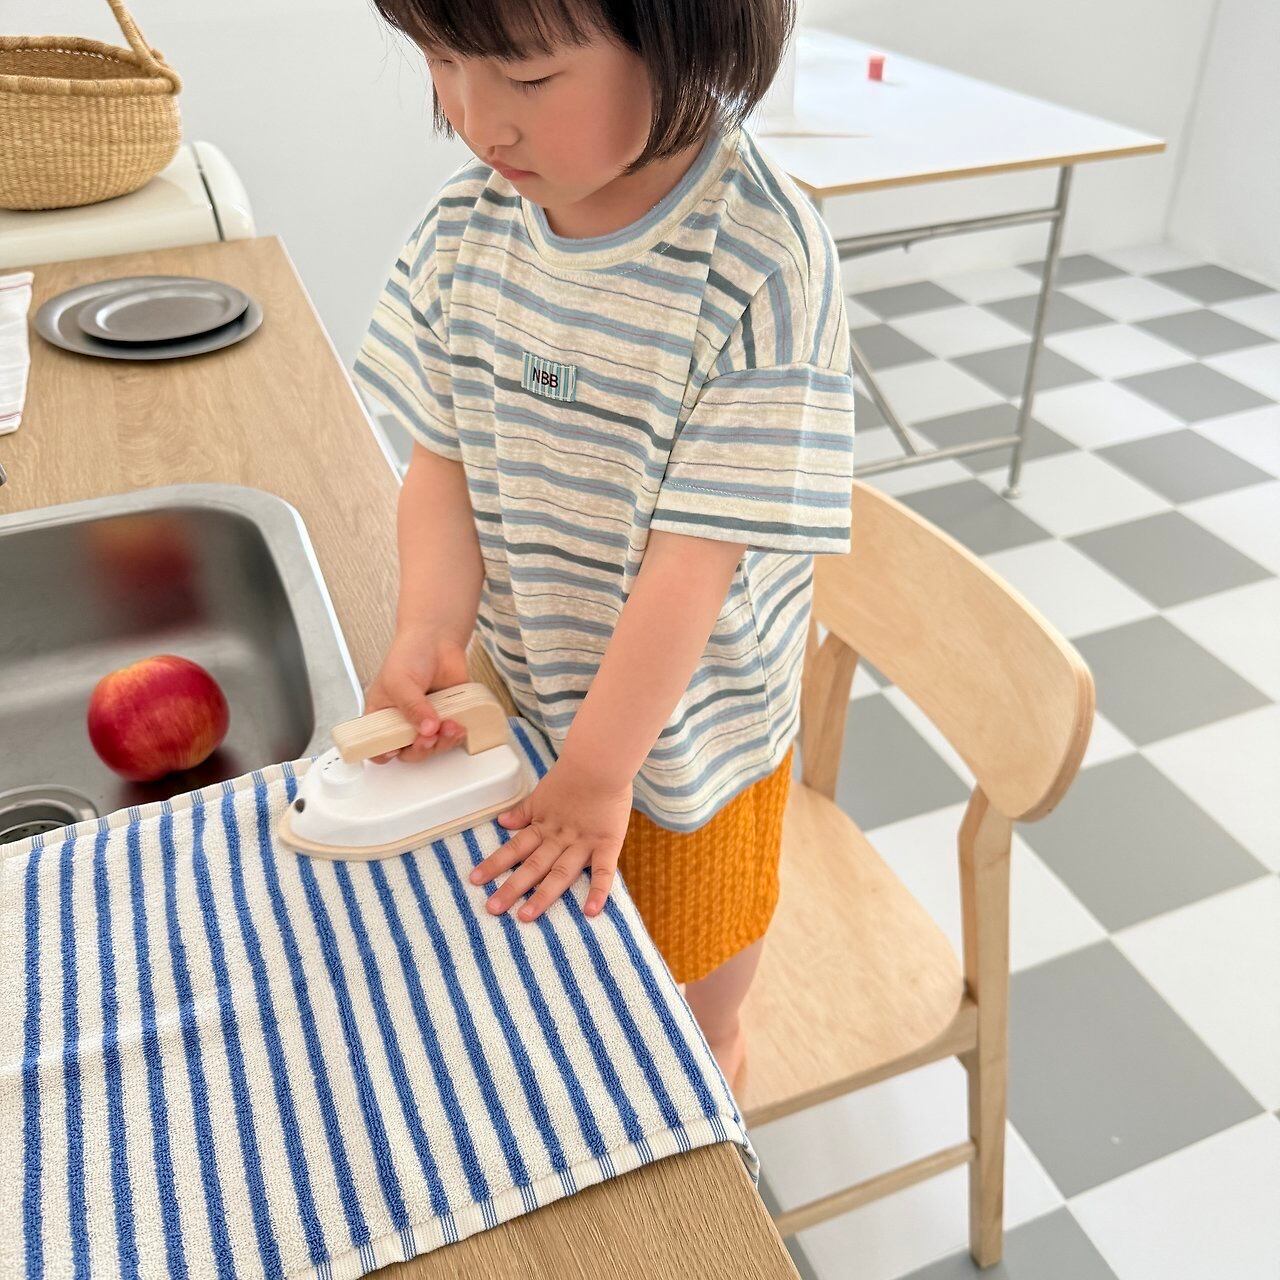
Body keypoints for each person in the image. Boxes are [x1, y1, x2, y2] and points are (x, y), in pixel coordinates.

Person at [354, 0, 855, 1089]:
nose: (477, 120)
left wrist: (596, 774)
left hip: (684, 754)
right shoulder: (467, 228)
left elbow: (693, 565)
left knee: (690, 1014)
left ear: (686, 34)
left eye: (529, 79)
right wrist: (429, 625)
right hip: (532, 702)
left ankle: (714, 1086)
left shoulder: (760, 261)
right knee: (566, 991)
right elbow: (443, 459)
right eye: (440, 60)